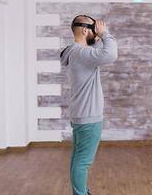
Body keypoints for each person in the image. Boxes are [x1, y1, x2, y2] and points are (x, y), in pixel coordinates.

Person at [60, 15, 118, 195]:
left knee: (78, 159)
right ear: (85, 31)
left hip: (81, 115)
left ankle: (81, 191)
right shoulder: (80, 53)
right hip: (88, 117)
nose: (97, 33)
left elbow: (99, 52)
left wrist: (98, 37)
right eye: (93, 29)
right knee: (83, 162)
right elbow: (110, 54)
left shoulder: (75, 52)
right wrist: (105, 34)